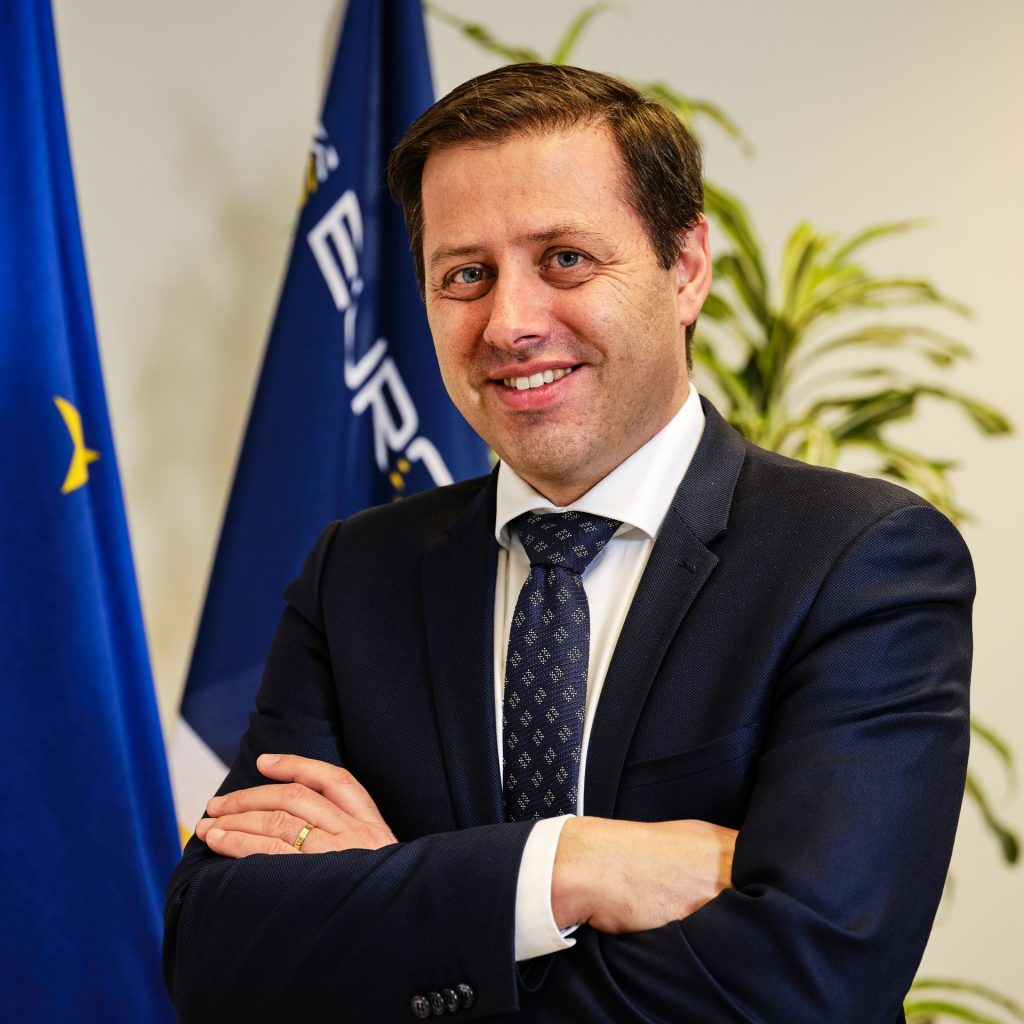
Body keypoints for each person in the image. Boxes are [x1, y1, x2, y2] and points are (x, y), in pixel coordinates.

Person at [164, 64, 973, 1023]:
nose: (509, 323)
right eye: (466, 275)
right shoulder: (359, 574)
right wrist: (567, 865)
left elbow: (807, 987)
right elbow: (219, 954)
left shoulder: (859, 561)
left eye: (565, 260)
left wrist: (402, 899)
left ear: (686, 268)